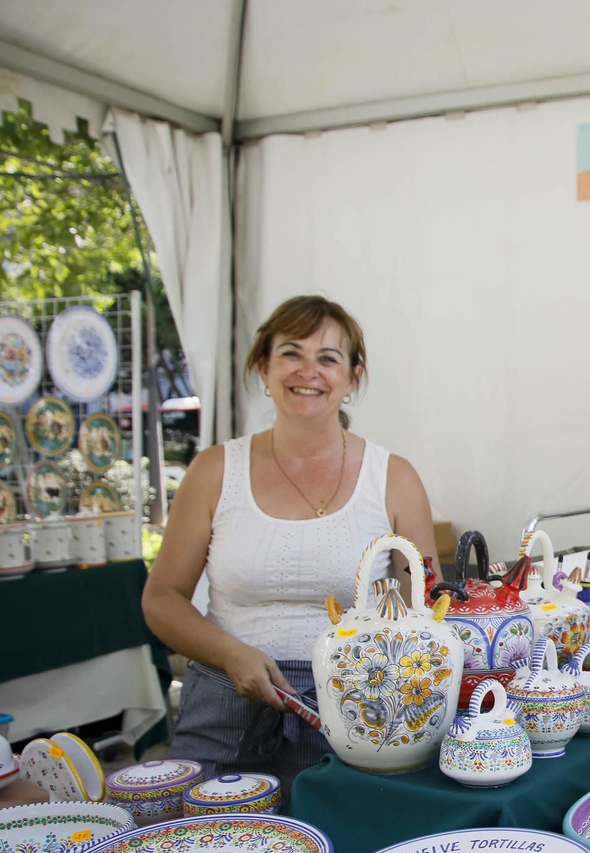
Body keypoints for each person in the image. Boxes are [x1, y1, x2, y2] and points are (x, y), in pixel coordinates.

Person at [143, 295, 438, 789]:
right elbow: (162, 599)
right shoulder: (215, 470)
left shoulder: (393, 478)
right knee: (212, 850)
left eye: (328, 358)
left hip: (354, 704)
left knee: (338, 849)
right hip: (223, 698)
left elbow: (426, 612)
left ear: (352, 378)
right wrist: (232, 654)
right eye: (291, 353)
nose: (309, 371)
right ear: (263, 367)